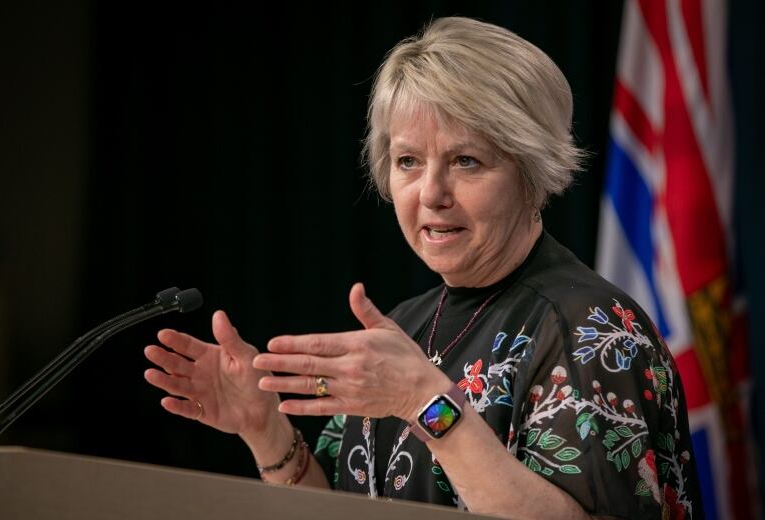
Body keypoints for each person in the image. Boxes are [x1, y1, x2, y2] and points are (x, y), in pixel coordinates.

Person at [143, 17, 702, 519]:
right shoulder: (405, 327)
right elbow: (344, 507)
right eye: (408, 161)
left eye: (466, 161)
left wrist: (426, 404)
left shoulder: (591, 329)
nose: (431, 193)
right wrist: (266, 432)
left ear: (534, 173)